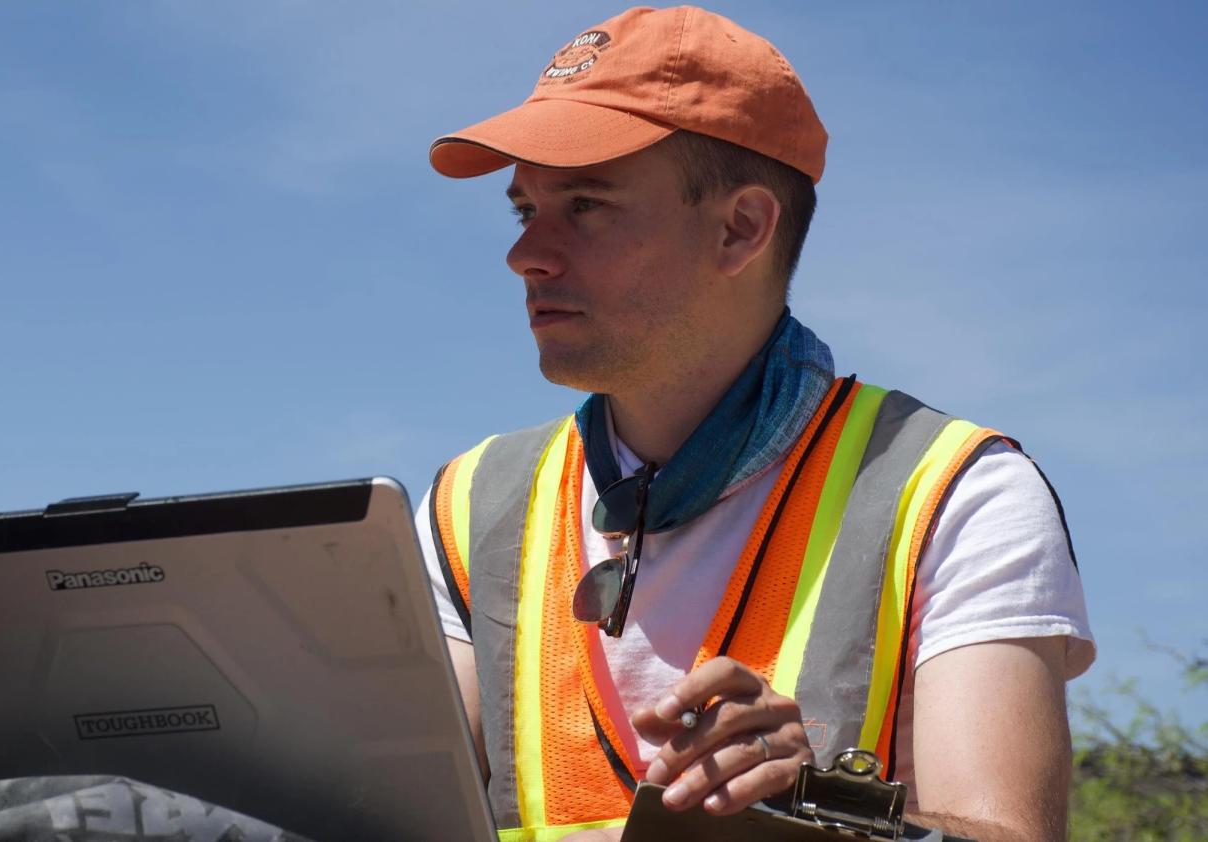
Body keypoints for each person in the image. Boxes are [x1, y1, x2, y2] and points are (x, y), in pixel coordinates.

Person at [414, 6, 1093, 841]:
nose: (527, 254)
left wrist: (804, 803)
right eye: (524, 211)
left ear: (740, 228)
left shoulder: (955, 491)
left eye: (584, 205)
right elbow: (376, 807)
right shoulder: (468, 504)